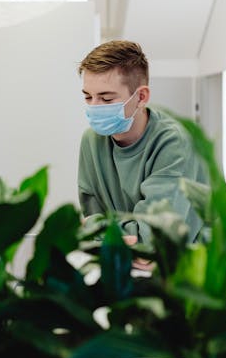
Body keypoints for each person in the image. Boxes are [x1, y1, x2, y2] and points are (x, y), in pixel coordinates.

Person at [77, 40, 207, 247]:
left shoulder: (174, 142)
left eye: (107, 99)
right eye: (88, 97)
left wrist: (111, 233)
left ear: (141, 97)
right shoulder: (91, 141)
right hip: (132, 265)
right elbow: (91, 227)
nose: (94, 107)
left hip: (193, 266)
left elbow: (155, 237)